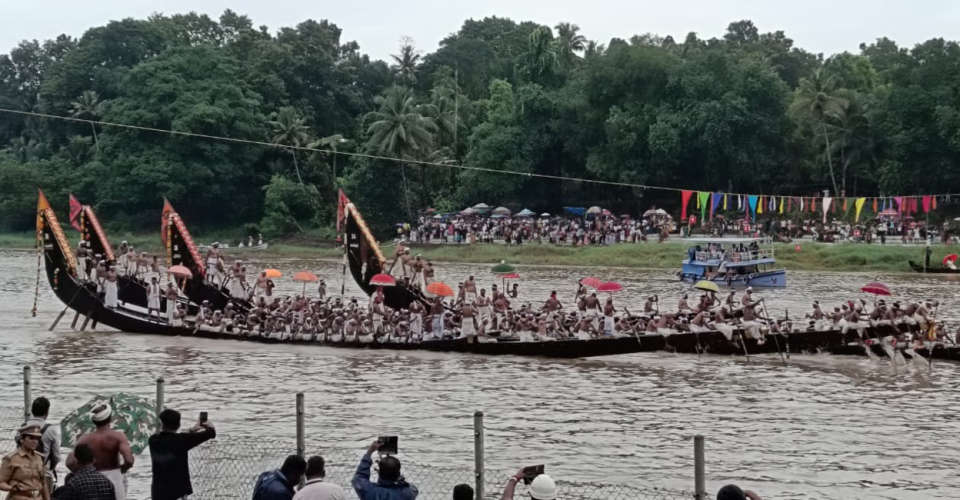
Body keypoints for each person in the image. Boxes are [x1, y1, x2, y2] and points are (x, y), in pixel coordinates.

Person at [65, 404, 133, 500]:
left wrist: (82, 474)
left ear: (94, 421)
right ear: (110, 418)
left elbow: (69, 462)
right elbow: (129, 460)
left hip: (91, 481)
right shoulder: (118, 436)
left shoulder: (84, 439)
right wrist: (123, 469)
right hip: (114, 477)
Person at [148, 409, 217, 500]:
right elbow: (211, 434)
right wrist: (210, 426)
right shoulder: (182, 440)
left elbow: (173, 437)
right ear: (178, 424)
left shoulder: (153, 440)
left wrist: (192, 430)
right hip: (178, 492)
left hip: (158, 492)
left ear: (162, 424)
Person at [352, 440, 418, 500]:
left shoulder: (369, 491)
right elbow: (413, 489)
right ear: (398, 473)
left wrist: (369, 452)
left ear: (380, 473)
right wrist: (399, 480)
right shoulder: (407, 493)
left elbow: (359, 478)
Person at [19, 397, 60, 492]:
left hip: (23, 472)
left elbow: (19, 449)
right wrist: (50, 468)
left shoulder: (23, 427)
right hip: (44, 472)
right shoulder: (51, 430)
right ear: (47, 412)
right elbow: (56, 456)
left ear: (32, 411)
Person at [0, 424, 50, 500]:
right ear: (21, 440)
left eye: (37, 439)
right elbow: (1, 483)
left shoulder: (39, 458)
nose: (35, 441)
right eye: (31, 438)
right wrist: (12, 488)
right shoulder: (11, 459)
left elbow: (44, 483)